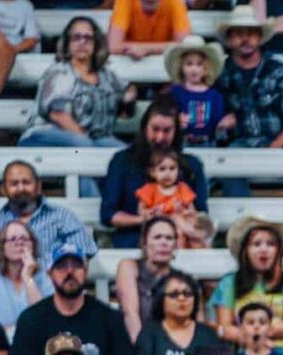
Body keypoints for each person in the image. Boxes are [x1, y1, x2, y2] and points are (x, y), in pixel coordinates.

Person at [18, 17, 133, 198]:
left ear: (96, 43)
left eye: (88, 38)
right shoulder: (60, 71)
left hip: (91, 140)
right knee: (82, 149)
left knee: (126, 154)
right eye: (76, 38)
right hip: (44, 137)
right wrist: (90, 143)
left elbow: (127, 89)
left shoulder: (105, 75)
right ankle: (93, 209)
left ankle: (120, 206)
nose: (82, 43)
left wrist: (128, 96)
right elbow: (57, 114)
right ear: (67, 43)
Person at [214, 4, 283, 197]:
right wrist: (220, 125)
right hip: (239, 147)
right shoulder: (219, 75)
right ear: (229, 39)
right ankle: (239, 223)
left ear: (260, 37)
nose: (246, 39)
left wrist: (272, 150)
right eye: (239, 33)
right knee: (226, 168)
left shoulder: (281, 72)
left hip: (279, 144)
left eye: (251, 33)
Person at [11, 241, 132, 355]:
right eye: (62, 266)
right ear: (50, 274)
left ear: (85, 272)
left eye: (76, 266)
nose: (69, 271)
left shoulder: (110, 318)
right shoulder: (31, 319)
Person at [100, 98, 211, 248]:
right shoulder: (122, 161)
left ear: (176, 131)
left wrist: (183, 215)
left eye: (166, 131)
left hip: (181, 236)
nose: (160, 137)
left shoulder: (191, 165)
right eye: (155, 129)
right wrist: (143, 219)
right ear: (145, 127)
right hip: (135, 235)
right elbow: (108, 215)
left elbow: (201, 213)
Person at [211, 215, 283, 348]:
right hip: (243, 354)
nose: (264, 250)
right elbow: (225, 327)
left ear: (278, 250)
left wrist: (257, 334)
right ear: (245, 251)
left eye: (271, 244)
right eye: (256, 244)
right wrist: (255, 341)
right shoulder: (229, 282)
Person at [0, 161, 98, 262]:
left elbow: (82, 256)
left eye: (26, 182)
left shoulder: (62, 217)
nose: (21, 188)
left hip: (52, 286)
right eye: (14, 184)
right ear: (3, 189)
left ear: (38, 186)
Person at [133, 269, 222, 355]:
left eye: (187, 294)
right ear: (161, 299)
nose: (181, 298)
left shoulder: (208, 334)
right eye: (174, 294)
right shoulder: (149, 334)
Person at [0, 220, 50, 337]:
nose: (19, 243)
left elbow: (43, 322)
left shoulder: (44, 278)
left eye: (24, 239)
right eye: (13, 239)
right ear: (2, 247)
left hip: (36, 348)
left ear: (33, 245)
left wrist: (28, 278)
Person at [115, 215, 181, 341]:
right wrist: (143, 351)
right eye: (157, 237)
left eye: (169, 238)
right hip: (135, 343)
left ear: (175, 245)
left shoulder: (181, 279)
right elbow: (131, 314)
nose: (164, 243)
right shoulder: (129, 267)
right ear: (144, 243)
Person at [163, 34, 226, 147]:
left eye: (199, 64)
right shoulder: (175, 92)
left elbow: (218, 124)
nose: (194, 69)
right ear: (181, 67)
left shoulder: (215, 96)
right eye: (189, 64)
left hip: (208, 143)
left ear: (206, 68)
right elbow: (166, 116)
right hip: (182, 143)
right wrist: (176, 120)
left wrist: (221, 126)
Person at [108, 0, 190, 59]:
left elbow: (183, 45)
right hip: (130, 63)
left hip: (165, 64)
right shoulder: (125, 2)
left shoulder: (175, 2)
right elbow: (113, 46)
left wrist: (145, 49)